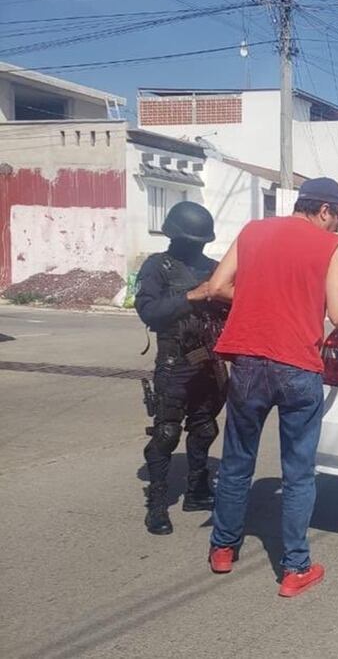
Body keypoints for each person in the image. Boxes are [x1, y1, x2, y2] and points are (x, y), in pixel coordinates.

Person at [206, 177, 338, 598]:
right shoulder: (331, 247)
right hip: (297, 366)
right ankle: (295, 568)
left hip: (249, 362)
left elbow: (218, 287)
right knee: (298, 471)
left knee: (237, 460)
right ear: (325, 210)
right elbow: (337, 311)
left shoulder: (254, 230)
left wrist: (259, 300)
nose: (337, 228)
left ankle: (223, 549)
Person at [135, 201, 229, 535]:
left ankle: (197, 491)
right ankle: (157, 505)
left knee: (204, 428)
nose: (195, 245)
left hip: (210, 363)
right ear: (174, 235)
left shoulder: (217, 269)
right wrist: (191, 297)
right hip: (174, 363)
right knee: (166, 433)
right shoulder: (158, 267)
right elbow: (149, 312)